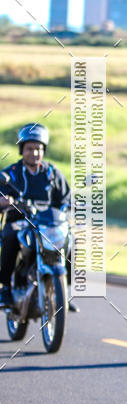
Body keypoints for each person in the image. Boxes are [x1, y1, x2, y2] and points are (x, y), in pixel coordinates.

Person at [0, 124, 78, 312]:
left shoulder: (52, 173)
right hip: (20, 222)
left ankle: (63, 292)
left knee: (71, 240)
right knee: (10, 236)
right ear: (22, 149)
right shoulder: (11, 173)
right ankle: (5, 289)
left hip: (48, 225)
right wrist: (5, 201)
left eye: (38, 149)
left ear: (44, 150)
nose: (34, 153)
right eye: (29, 148)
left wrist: (71, 206)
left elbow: (66, 198)